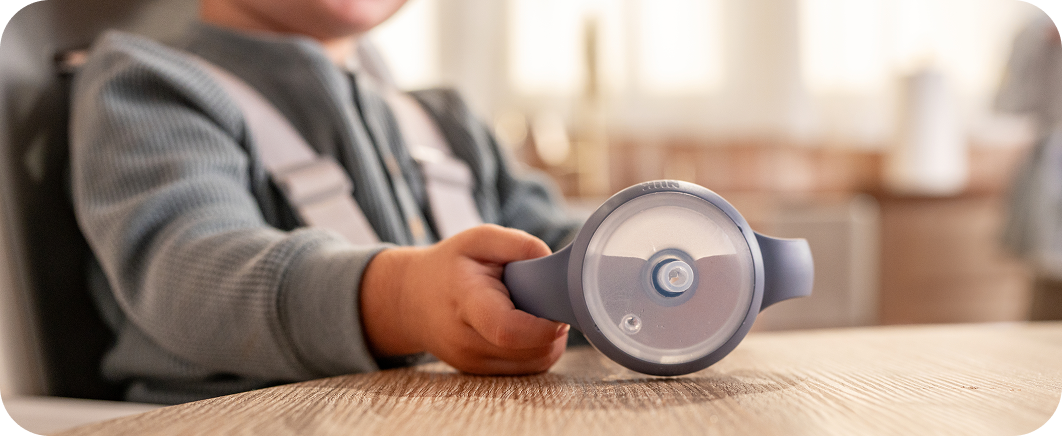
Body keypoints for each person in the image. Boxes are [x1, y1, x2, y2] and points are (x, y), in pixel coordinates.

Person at [70, 0, 581, 405]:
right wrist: (401, 297)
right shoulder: (149, 87)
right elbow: (189, 270)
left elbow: (561, 251)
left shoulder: (446, 122)